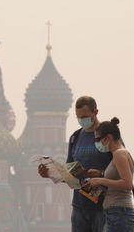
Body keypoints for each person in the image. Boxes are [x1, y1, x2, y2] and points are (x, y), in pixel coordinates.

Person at [38, 96, 112, 232]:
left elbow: (121, 169)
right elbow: (70, 176)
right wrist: (49, 174)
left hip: (103, 207)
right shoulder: (75, 138)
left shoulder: (108, 136)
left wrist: (100, 174)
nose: (81, 120)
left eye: (85, 116)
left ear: (95, 112)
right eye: (78, 117)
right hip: (79, 207)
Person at [85, 117, 134, 232]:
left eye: (98, 139)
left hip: (119, 214)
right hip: (116, 214)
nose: (97, 143)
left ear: (107, 137)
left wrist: (100, 180)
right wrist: (101, 175)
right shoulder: (119, 154)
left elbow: (127, 184)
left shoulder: (119, 154)